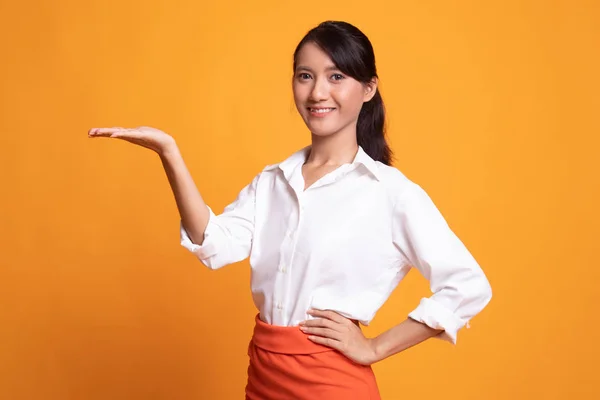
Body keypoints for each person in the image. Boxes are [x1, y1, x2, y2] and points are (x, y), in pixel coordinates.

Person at [88, 20, 492, 400]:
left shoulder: (390, 193)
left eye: (337, 77)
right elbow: (212, 244)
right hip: (264, 373)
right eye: (305, 75)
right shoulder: (273, 182)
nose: (317, 92)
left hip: (331, 381)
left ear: (368, 89)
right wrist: (169, 153)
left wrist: (374, 347)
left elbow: (467, 286)